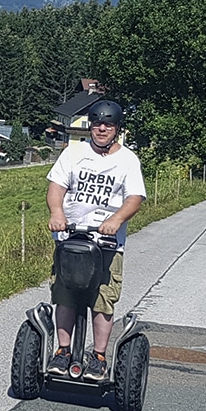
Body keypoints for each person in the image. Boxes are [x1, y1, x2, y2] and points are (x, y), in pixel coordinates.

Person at [45, 100, 146, 381]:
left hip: (107, 244)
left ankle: (99, 357)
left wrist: (116, 220)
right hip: (70, 236)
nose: (102, 129)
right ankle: (63, 352)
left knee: (103, 299)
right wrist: (56, 212)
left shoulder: (128, 159)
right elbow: (56, 188)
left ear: (117, 129)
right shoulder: (73, 154)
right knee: (64, 295)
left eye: (108, 124)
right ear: (91, 125)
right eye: (98, 123)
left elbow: (135, 198)